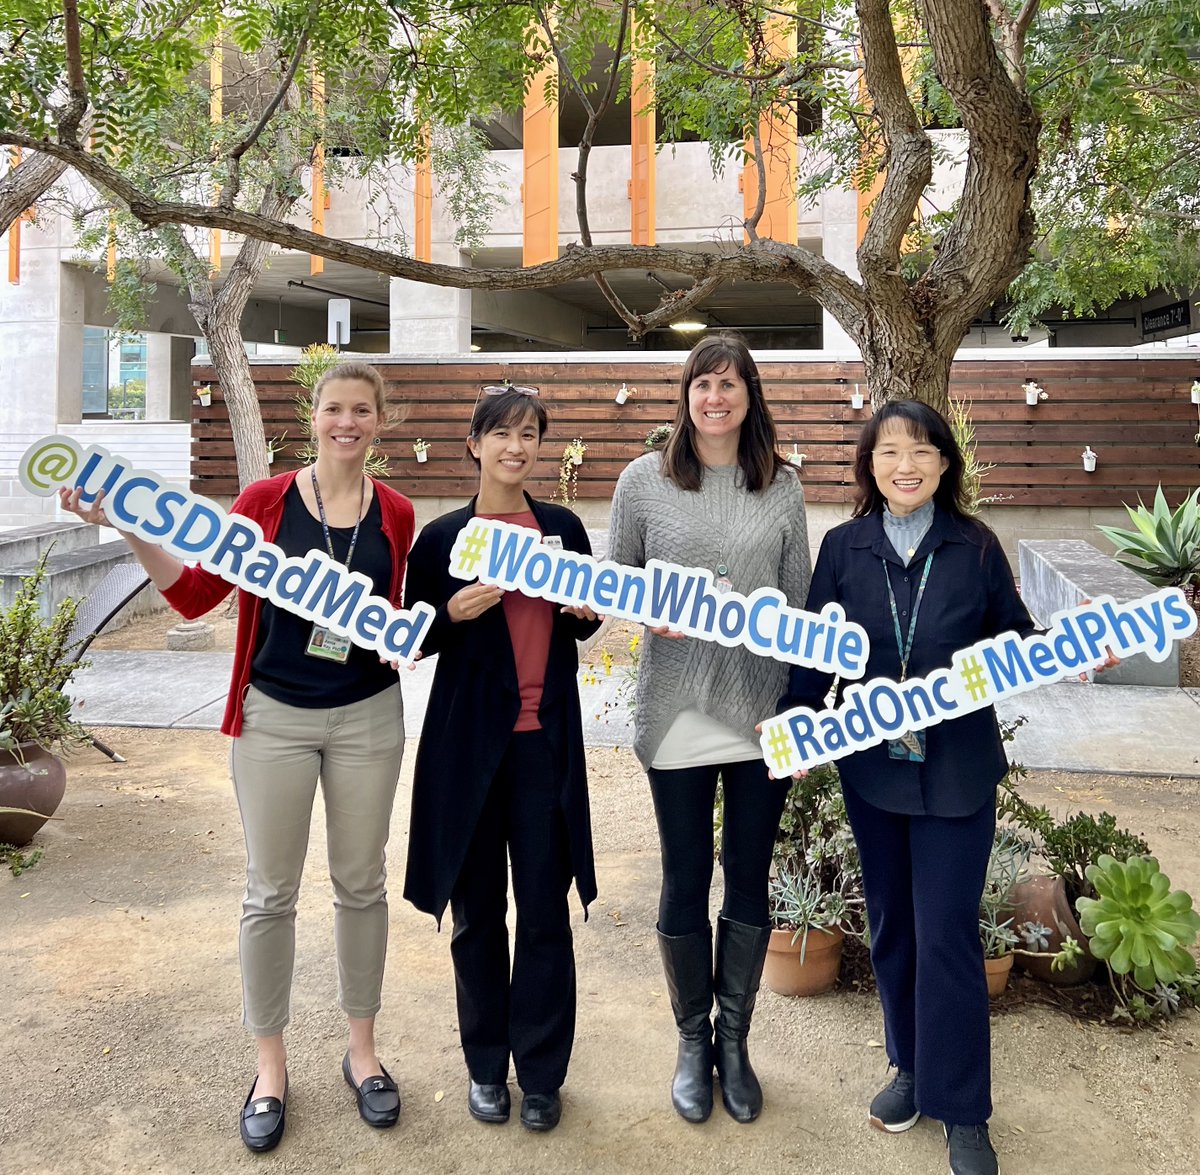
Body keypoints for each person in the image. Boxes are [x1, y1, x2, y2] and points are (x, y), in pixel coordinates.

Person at [60, 361, 414, 1152]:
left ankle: (362, 1053)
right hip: (273, 719)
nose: (346, 422)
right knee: (270, 892)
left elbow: (391, 616)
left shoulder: (395, 511)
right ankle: (270, 1068)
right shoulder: (262, 503)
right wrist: (125, 526)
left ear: (380, 421)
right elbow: (191, 596)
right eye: (333, 409)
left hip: (366, 719)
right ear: (313, 416)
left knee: (362, 884)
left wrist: (402, 642)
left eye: (362, 410)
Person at [778, 398, 1037, 1175]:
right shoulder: (844, 547)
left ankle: (963, 1110)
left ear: (945, 464)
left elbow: (1018, 640)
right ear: (869, 466)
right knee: (891, 924)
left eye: (922, 450)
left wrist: (1071, 651)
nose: (906, 464)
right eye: (889, 451)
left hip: (957, 770)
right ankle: (912, 1069)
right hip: (875, 770)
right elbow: (815, 656)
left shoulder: (975, 546)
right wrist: (797, 720)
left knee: (947, 934)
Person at [608, 334, 811, 1125]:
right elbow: (613, 582)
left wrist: (796, 701)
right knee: (686, 872)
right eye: (702, 384)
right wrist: (648, 612)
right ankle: (693, 1038)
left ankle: (736, 1042)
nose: (714, 398)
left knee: (750, 873)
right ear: (685, 394)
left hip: (761, 715)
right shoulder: (642, 481)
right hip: (678, 712)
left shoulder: (783, 487)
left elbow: (797, 603)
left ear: (750, 396)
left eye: (729, 385)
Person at [403, 384, 601, 1133]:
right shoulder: (442, 538)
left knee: (545, 909)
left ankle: (542, 1073)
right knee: (477, 911)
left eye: (530, 435)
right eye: (503, 434)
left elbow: (585, 623)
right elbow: (411, 636)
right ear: (475, 443)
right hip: (468, 749)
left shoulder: (561, 528)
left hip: (543, 744)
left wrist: (585, 610)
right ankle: (486, 1065)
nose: (517, 447)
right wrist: (450, 612)